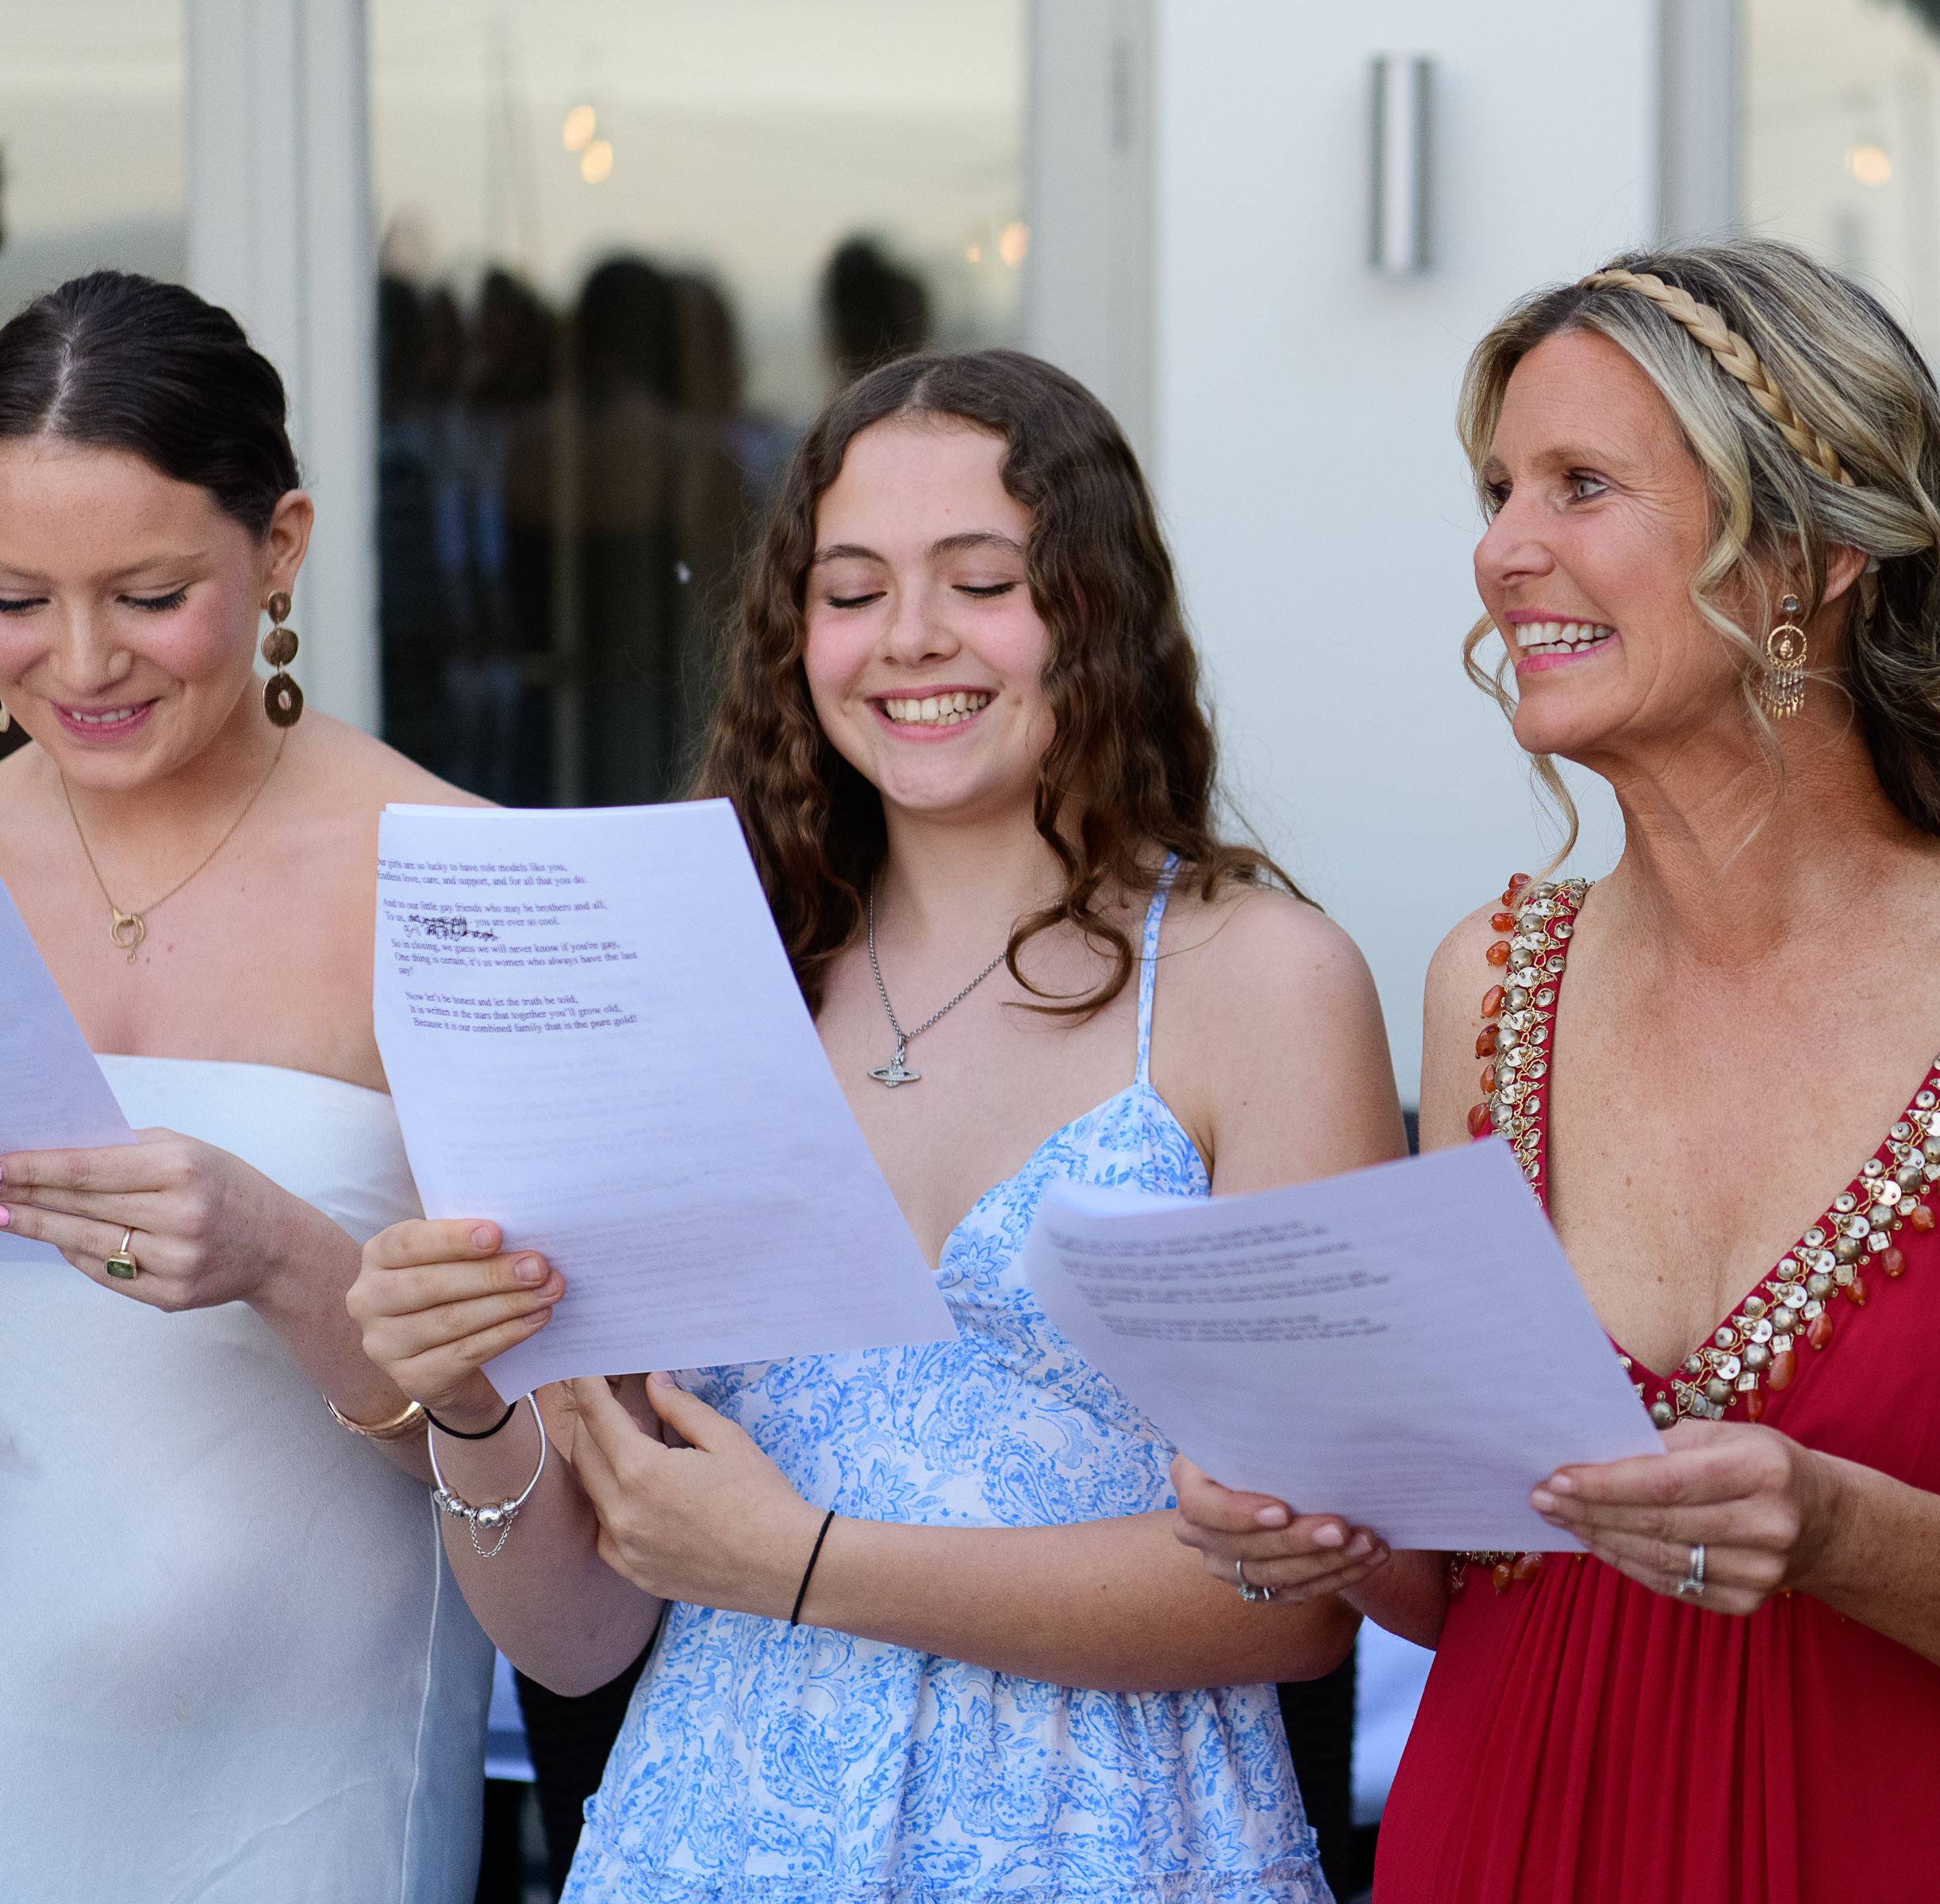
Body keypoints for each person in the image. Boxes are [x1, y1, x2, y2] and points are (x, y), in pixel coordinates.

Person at [1172, 241, 1940, 1901]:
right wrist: (1323, 1525)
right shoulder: (1488, 983)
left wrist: (1843, 1531)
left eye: (1581, 485)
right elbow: (1465, 1581)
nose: (1503, 549)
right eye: (1498, 490)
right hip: (1506, 1842)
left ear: (1813, 550)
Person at [349, 347, 1407, 1901]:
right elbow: (576, 1635)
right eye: (851, 591)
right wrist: (464, 1395)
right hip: (711, 1843)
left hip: (1106, 1844)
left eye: (982, 581)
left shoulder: (1266, 981)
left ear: (1099, 609)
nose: (910, 637)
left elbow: (1301, 1600)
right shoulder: (694, 975)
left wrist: (800, 1565)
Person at [0, 272, 492, 1900]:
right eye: (13, 597)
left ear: (279, 549)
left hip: (300, 1785)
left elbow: (559, 1480)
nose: (82, 661)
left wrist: (284, 1258)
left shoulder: (453, 884)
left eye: (149, 595)